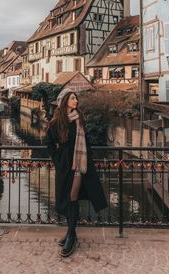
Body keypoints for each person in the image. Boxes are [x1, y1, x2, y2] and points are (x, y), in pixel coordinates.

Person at [46, 88, 107, 257]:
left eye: (76, 98)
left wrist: (88, 159)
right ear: (65, 101)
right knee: (64, 199)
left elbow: (86, 141)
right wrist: (58, 159)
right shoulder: (56, 122)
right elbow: (49, 144)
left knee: (73, 197)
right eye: (73, 98)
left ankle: (71, 236)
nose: (76, 101)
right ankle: (70, 231)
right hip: (64, 166)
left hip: (79, 166)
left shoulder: (79, 119)